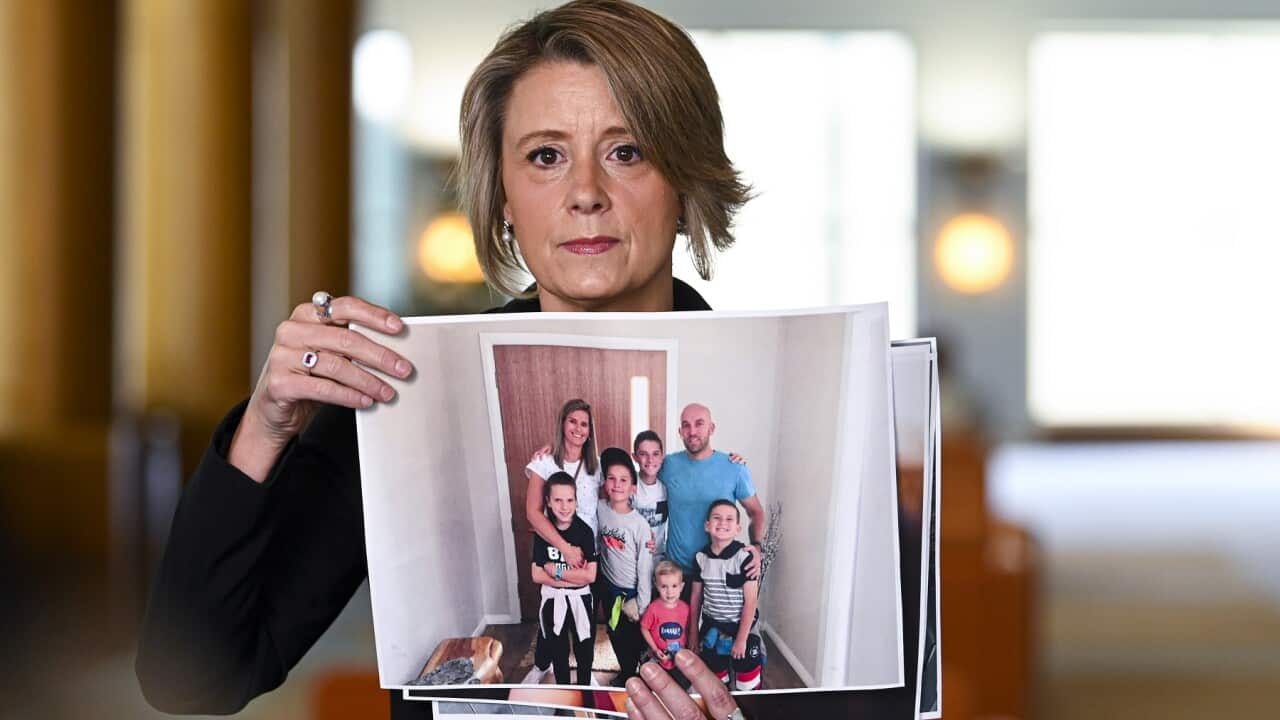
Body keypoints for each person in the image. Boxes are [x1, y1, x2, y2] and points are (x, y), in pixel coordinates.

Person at [136, 2, 759, 718]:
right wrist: (266, 427)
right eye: (546, 156)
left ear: (685, 184)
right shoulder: (404, 396)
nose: (586, 193)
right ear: (503, 201)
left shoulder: (752, 406)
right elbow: (192, 676)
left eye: (627, 151)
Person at [661, 404, 767, 591]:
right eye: (686, 425)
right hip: (677, 575)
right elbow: (640, 482)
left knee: (716, 621)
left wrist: (757, 547)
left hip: (719, 572)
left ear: (712, 428)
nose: (692, 431)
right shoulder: (668, 465)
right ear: (680, 431)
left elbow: (756, 512)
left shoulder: (734, 467)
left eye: (699, 424)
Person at [531, 473, 598, 686]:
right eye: (558, 500)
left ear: (576, 501)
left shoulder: (585, 532)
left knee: (584, 650)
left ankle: (585, 692)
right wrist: (574, 579)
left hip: (581, 601)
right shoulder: (543, 534)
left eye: (569, 500)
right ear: (548, 502)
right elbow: (536, 575)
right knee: (558, 652)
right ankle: (564, 693)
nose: (564, 506)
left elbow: (590, 576)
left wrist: (556, 573)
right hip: (553, 601)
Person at [690, 500, 764, 692]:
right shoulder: (701, 558)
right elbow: (696, 599)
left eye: (729, 519)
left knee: (748, 684)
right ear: (707, 525)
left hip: (742, 630)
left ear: (738, 528)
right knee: (715, 684)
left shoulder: (745, 558)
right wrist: (693, 634)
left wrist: (741, 639)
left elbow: (751, 601)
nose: (723, 522)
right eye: (717, 518)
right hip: (711, 629)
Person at [595, 448, 653, 683]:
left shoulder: (639, 525)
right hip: (609, 589)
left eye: (624, 480)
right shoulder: (598, 509)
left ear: (633, 488)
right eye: (611, 478)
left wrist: (641, 602)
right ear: (604, 482)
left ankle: (636, 676)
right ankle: (627, 672)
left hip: (631, 595)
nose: (617, 484)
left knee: (633, 640)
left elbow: (645, 567)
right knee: (613, 633)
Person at [640, 561, 692, 688]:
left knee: (681, 686)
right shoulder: (653, 608)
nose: (669, 592)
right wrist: (654, 649)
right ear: (656, 586)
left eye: (674, 586)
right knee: (654, 685)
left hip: (679, 659)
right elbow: (644, 628)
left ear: (681, 586)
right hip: (658, 657)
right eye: (664, 586)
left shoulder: (686, 608)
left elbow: (689, 630)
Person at [631, 430, 669, 564]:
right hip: (632, 559)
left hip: (658, 560)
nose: (650, 460)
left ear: (662, 456)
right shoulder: (628, 485)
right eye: (643, 454)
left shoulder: (667, 487)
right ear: (635, 457)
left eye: (655, 454)